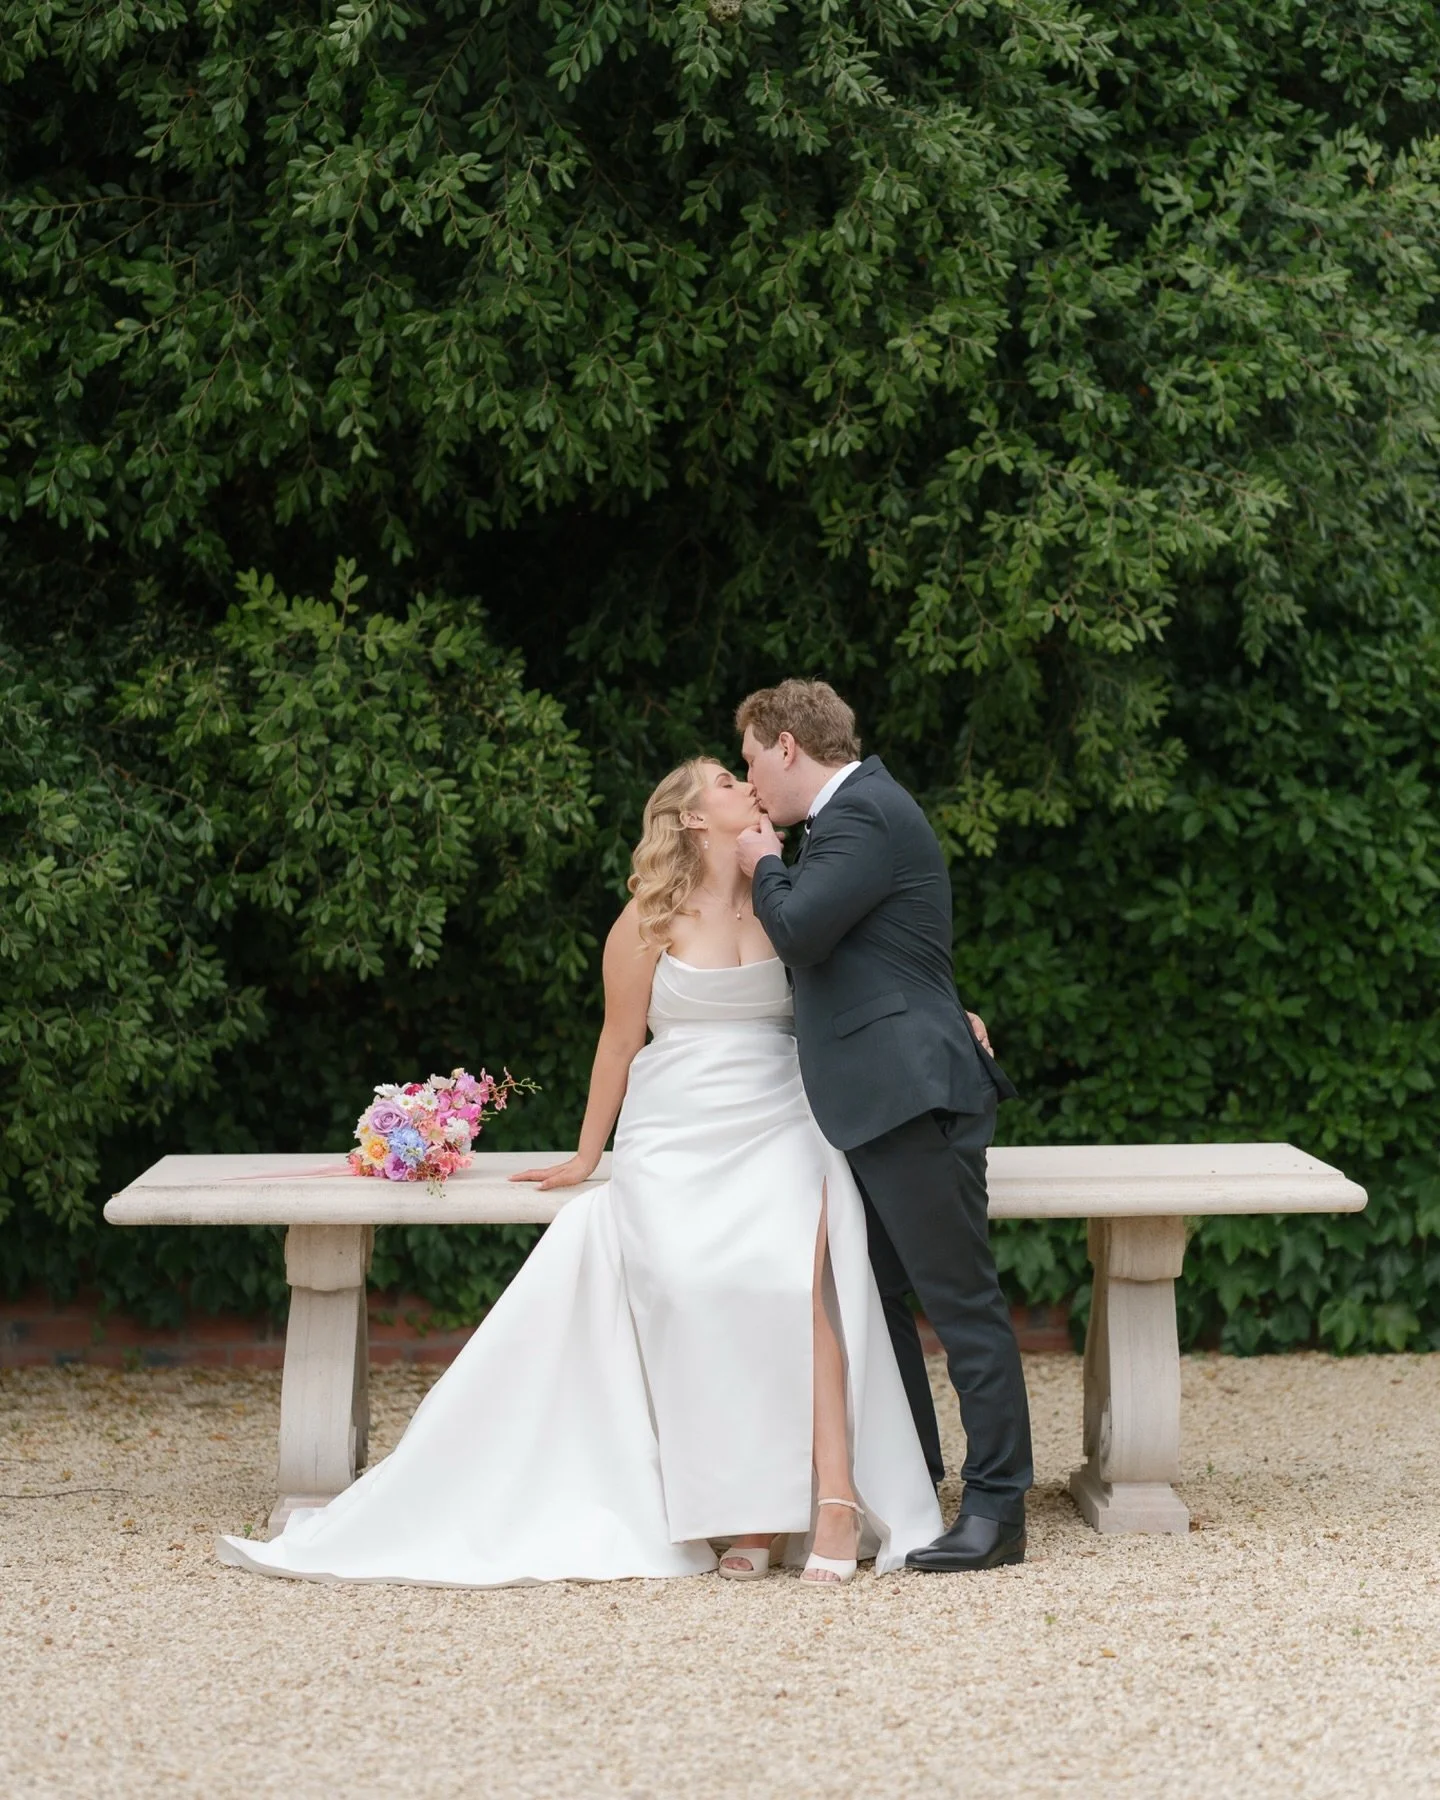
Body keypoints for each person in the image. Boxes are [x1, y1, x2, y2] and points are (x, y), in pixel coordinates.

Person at [216, 758, 940, 1589]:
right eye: (723, 779)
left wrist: (951, 1012)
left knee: (790, 1285)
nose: (745, 784)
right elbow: (618, 1043)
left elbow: (876, 978)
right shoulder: (646, 920)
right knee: (688, 1285)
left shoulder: (792, 897)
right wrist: (589, 1153)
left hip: (781, 1116)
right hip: (677, 1128)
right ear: (693, 818)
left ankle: (833, 1501)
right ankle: (743, 1513)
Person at [736, 679, 1033, 1572]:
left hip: (912, 1096)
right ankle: (919, 1479)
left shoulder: (861, 813)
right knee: (886, 1299)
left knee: (961, 1302)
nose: (751, 784)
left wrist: (759, 858)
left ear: (788, 746)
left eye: (751, 759)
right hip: (883, 1098)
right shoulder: (852, 818)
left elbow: (798, 930)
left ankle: (996, 1511)